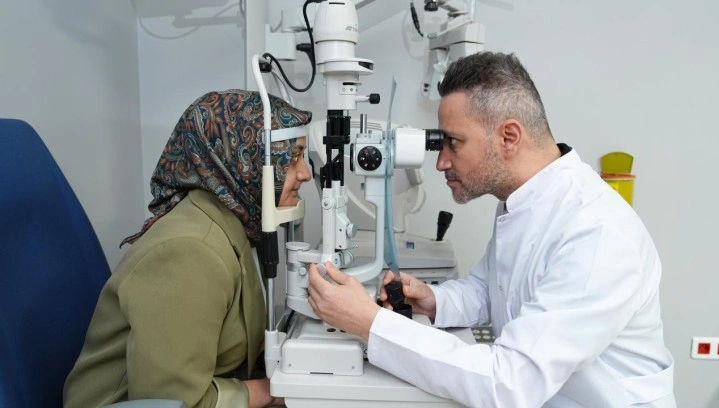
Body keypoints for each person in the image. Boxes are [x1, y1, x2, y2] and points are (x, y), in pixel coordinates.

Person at [306, 52, 676, 407]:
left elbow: (510, 385)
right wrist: (434, 300)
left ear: (509, 137)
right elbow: (490, 288)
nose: (441, 162)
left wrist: (369, 323)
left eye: (454, 142)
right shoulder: (523, 199)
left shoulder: (596, 233)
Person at [64, 90, 313, 408]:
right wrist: (276, 391)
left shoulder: (232, 225)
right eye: (292, 158)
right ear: (245, 160)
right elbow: (175, 401)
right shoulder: (191, 251)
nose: (305, 173)